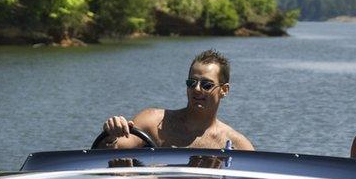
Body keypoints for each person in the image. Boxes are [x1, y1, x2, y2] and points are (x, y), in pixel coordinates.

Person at [98, 49, 255, 150]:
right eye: (191, 83)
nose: (197, 89)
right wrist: (112, 135)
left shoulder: (238, 145)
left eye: (206, 85)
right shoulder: (152, 122)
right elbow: (110, 152)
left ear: (224, 90)